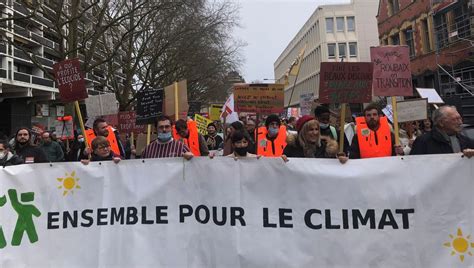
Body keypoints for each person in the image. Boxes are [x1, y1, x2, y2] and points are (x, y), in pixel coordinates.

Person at [281, 115, 348, 163]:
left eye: (316, 129)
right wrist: (281, 160)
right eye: (311, 130)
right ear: (303, 132)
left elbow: (333, 168)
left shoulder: (326, 148)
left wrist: (340, 160)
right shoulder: (292, 146)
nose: (315, 132)